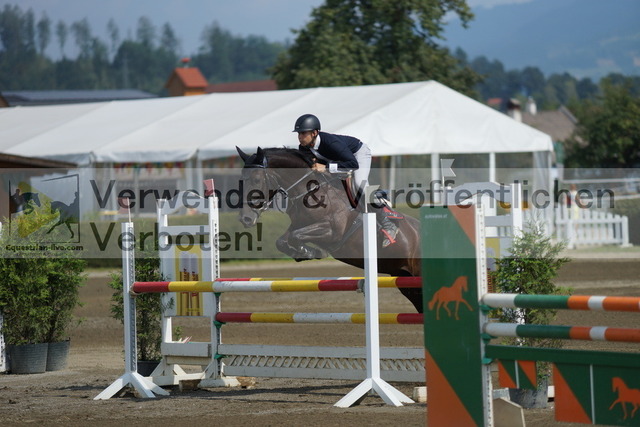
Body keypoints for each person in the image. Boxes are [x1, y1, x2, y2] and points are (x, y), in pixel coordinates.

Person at [293, 113, 399, 247]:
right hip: (339, 161)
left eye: (303, 133)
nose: (300, 137)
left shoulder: (331, 143)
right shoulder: (303, 148)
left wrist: (325, 167)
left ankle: (388, 223)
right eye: (299, 134)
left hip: (357, 155)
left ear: (314, 133)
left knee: (360, 184)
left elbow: (353, 164)